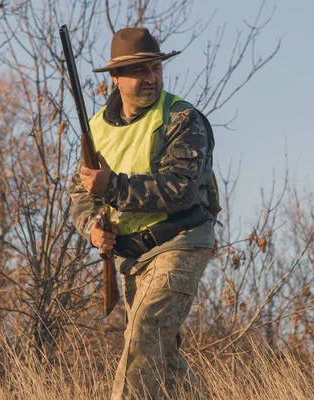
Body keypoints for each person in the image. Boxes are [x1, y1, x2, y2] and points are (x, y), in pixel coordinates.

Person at [69, 27, 219, 399]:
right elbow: (80, 191)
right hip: (133, 258)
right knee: (164, 362)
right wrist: (92, 228)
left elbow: (180, 190)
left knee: (144, 334)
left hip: (180, 243)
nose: (151, 78)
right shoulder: (96, 130)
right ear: (115, 79)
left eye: (155, 68)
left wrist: (114, 188)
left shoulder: (183, 119)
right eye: (140, 71)